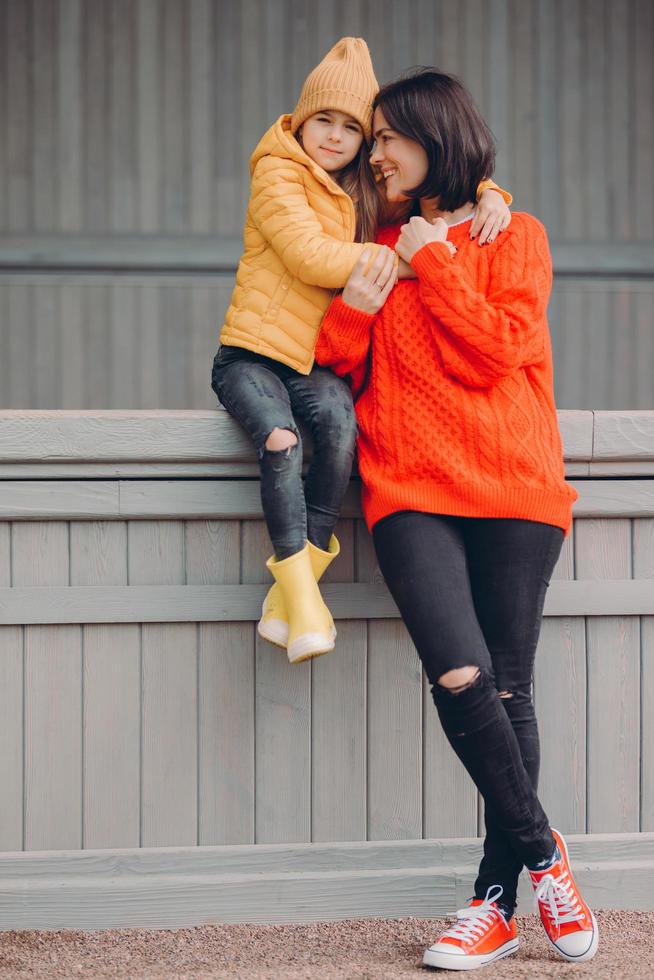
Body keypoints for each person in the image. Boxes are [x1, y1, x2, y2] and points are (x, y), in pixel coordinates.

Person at [315, 68, 598, 970]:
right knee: (462, 676)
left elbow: (498, 351)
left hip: (514, 486)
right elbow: (333, 361)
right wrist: (383, 270)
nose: (377, 151)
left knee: (509, 691)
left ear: (437, 139)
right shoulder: (375, 244)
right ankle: (545, 854)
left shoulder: (513, 234)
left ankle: (494, 901)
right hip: (407, 489)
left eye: (391, 135)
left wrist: (436, 255)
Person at [212, 40, 511, 664]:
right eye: (324, 120)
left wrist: (489, 191)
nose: (336, 136)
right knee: (283, 439)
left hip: (313, 361)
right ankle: (303, 594)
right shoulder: (278, 169)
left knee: (341, 438)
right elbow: (311, 257)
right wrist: (412, 264)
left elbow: (439, 186)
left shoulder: (360, 186)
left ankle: (285, 604)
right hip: (260, 350)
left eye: (354, 128)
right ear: (300, 120)